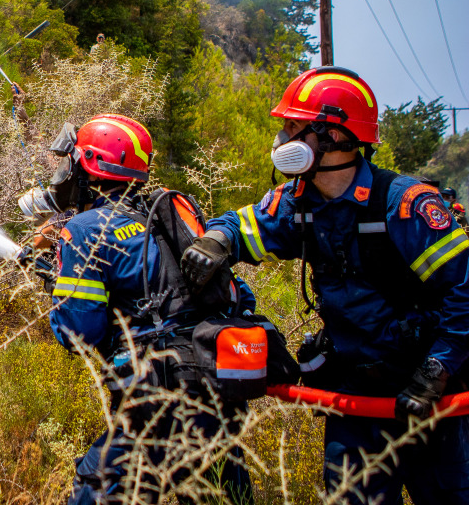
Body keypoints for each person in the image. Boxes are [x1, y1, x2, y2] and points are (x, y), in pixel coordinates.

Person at [181, 67, 469, 503]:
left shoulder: (405, 206)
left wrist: (436, 370)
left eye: (294, 127)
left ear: (335, 135)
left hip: (431, 396)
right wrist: (216, 241)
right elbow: (244, 226)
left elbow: (464, 290)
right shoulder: (298, 203)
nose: (282, 139)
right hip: (357, 395)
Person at [18, 114, 258, 504]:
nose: (64, 173)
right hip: (218, 389)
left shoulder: (84, 229)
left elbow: (80, 333)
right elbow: (238, 295)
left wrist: (60, 292)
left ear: (88, 168)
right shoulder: (169, 215)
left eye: (71, 163)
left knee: (95, 489)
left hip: (158, 402)